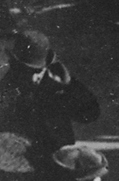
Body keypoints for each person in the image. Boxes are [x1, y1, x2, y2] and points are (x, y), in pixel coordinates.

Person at [0, 33, 101, 168]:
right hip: (22, 165)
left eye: (39, 70)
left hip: (57, 161)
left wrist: (70, 86)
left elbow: (90, 115)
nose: (35, 76)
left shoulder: (56, 83)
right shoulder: (7, 88)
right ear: (15, 64)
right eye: (28, 70)